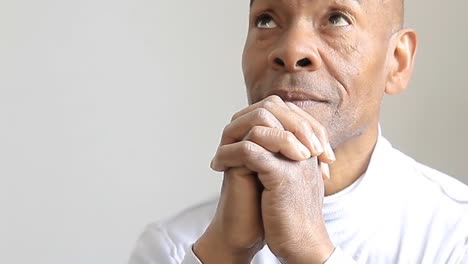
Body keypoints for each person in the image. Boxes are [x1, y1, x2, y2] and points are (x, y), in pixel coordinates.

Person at [129, 0, 468, 263]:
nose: (291, 51)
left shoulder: (457, 233)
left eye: (337, 18)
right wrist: (224, 254)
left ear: (398, 61)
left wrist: (312, 251)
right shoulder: (175, 247)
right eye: (266, 19)